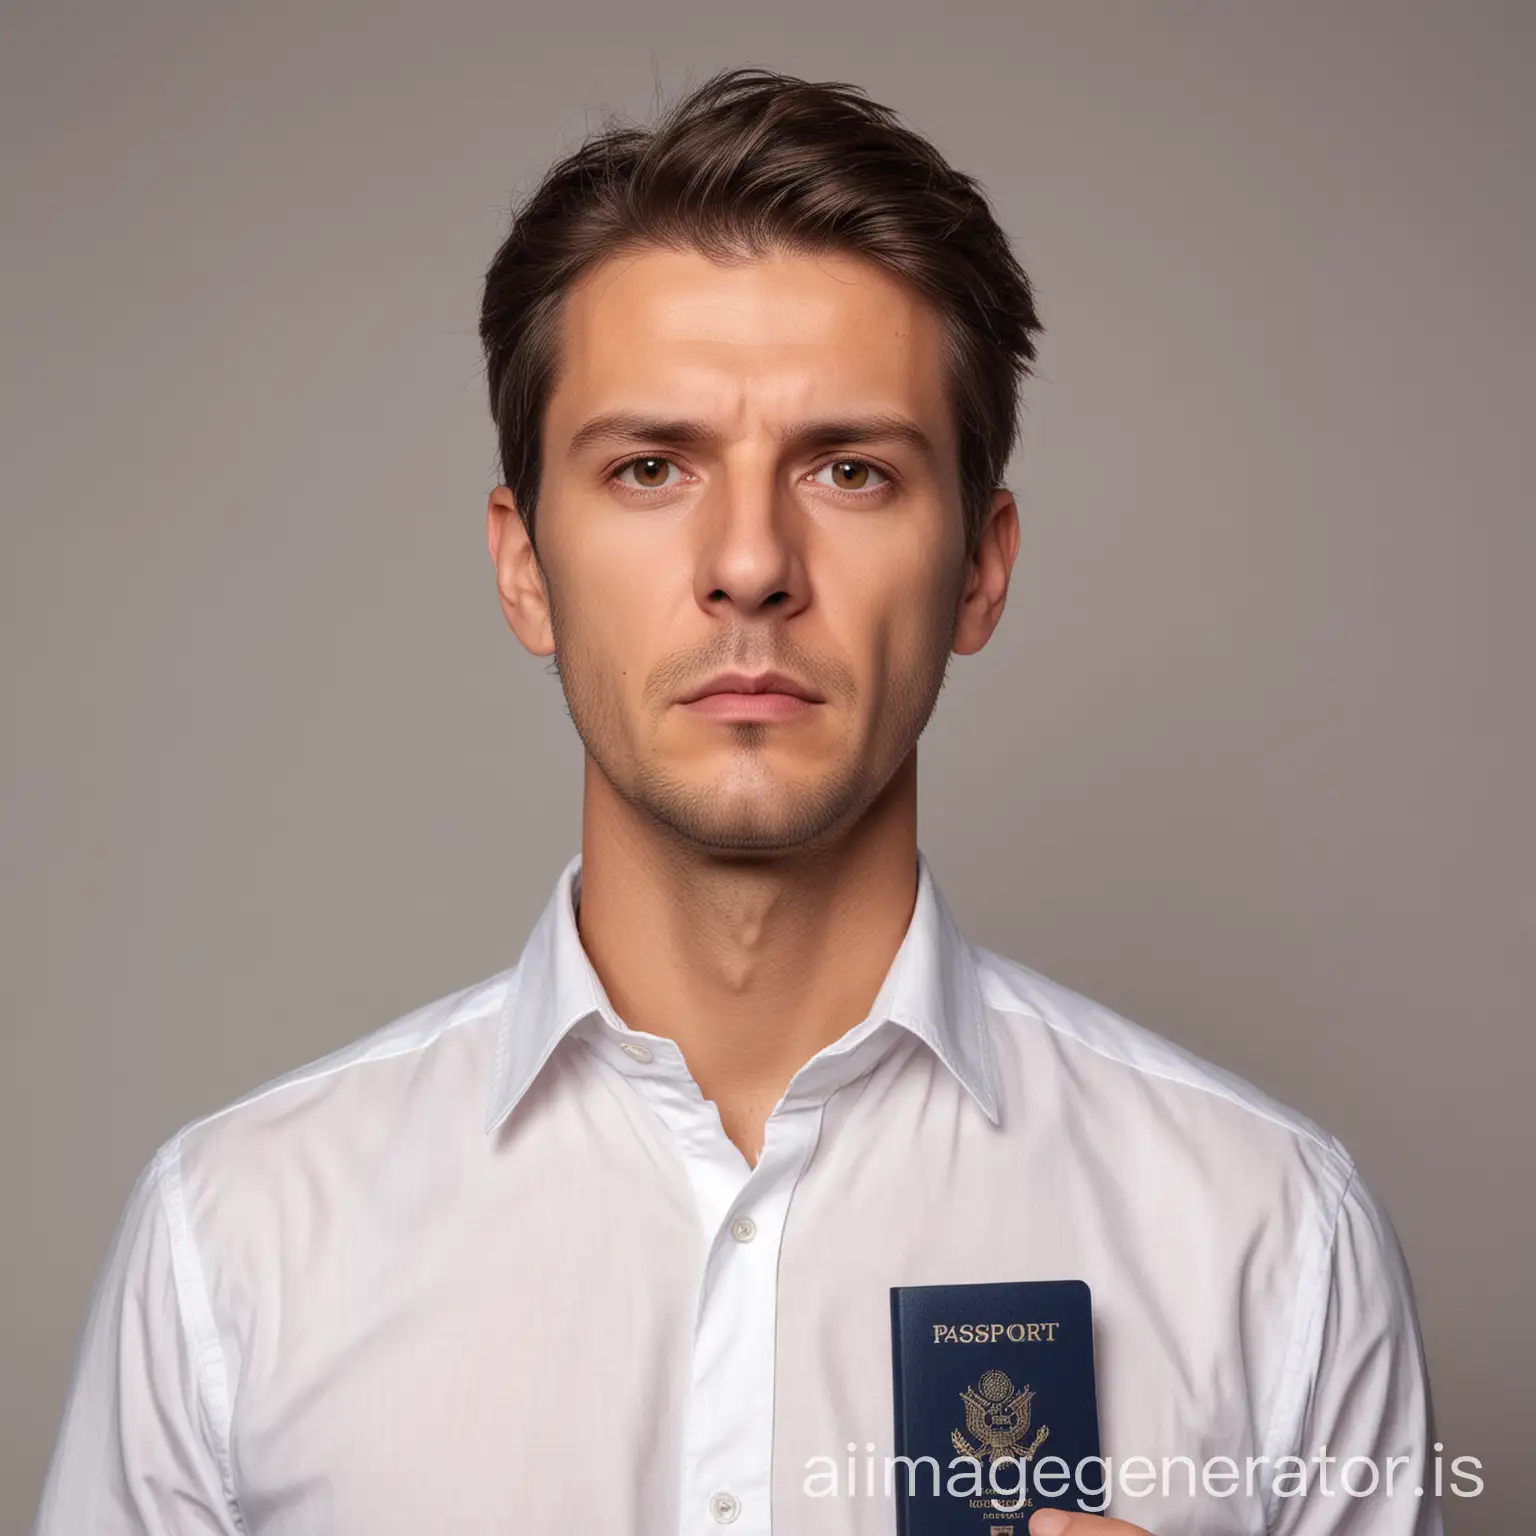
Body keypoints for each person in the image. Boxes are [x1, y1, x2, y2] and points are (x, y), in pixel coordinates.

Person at [35, 67, 1442, 1536]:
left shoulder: (1275, 1245)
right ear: (525, 566)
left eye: (850, 468)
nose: (753, 561)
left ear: (980, 566)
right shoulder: (235, 1250)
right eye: (651, 467)